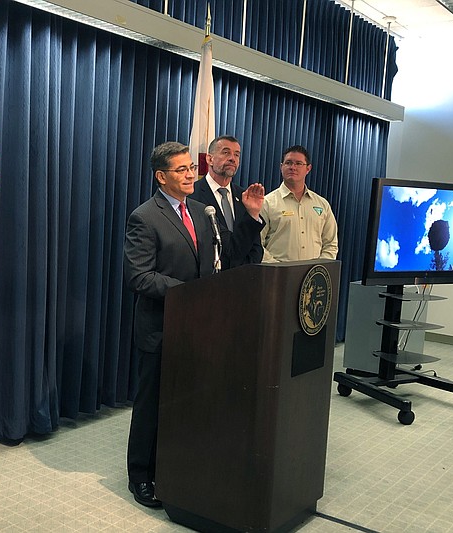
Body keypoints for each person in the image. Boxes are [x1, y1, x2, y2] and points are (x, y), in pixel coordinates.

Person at [123, 141, 265, 508]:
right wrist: (187, 293)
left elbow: (228, 257)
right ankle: (140, 476)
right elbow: (139, 277)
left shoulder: (203, 212)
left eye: (192, 168)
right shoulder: (145, 216)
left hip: (200, 328)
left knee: (189, 404)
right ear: (161, 176)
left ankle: (177, 465)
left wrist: (250, 217)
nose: (191, 175)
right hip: (162, 328)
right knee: (152, 406)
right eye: (182, 170)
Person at [189, 135, 264, 264]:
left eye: (236, 155)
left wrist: (253, 214)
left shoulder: (245, 196)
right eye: (226, 153)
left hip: (242, 278)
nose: (232, 159)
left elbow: (255, 247)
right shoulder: (192, 195)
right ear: (209, 159)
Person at [260, 145, 338, 262]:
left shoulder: (322, 204)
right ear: (281, 167)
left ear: (308, 168)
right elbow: (257, 244)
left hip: (313, 277)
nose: (293, 167)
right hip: (277, 275)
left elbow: (330, 243)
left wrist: (318, 268)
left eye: (298, 163)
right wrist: (277, 269)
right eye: (288, 163)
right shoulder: (267, 203)